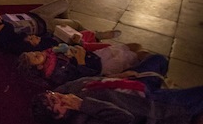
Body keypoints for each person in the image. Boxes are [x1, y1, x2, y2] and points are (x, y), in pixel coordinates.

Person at [31, 76, 203, 124]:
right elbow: (123, 118)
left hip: (135, 87)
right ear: (59, 118)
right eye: (57, 106)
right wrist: (82, 105)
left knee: (159, 60)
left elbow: (79, 81)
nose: (61, 100)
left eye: (54, 96)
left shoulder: (66, 91)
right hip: (155, 110)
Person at [0, 0, 110, 54]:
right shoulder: (7, 42)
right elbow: (32, 45)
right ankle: (95, 35)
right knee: (76, 23)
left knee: (64, 2)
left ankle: (69, 30)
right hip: (46, 25)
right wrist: (36, 41)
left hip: (35, 13)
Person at [17, 43, 148, 87]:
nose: (36, 53)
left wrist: (74, 50)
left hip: (95, 56)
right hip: (101, 66)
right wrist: (81, 61)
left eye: (33, 52)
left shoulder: (51, 54)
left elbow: (67, 51)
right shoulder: (55, 74)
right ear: (39, 67)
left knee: (132, 46)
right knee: (139, 54)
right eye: (34, 58)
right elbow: (84, 80)